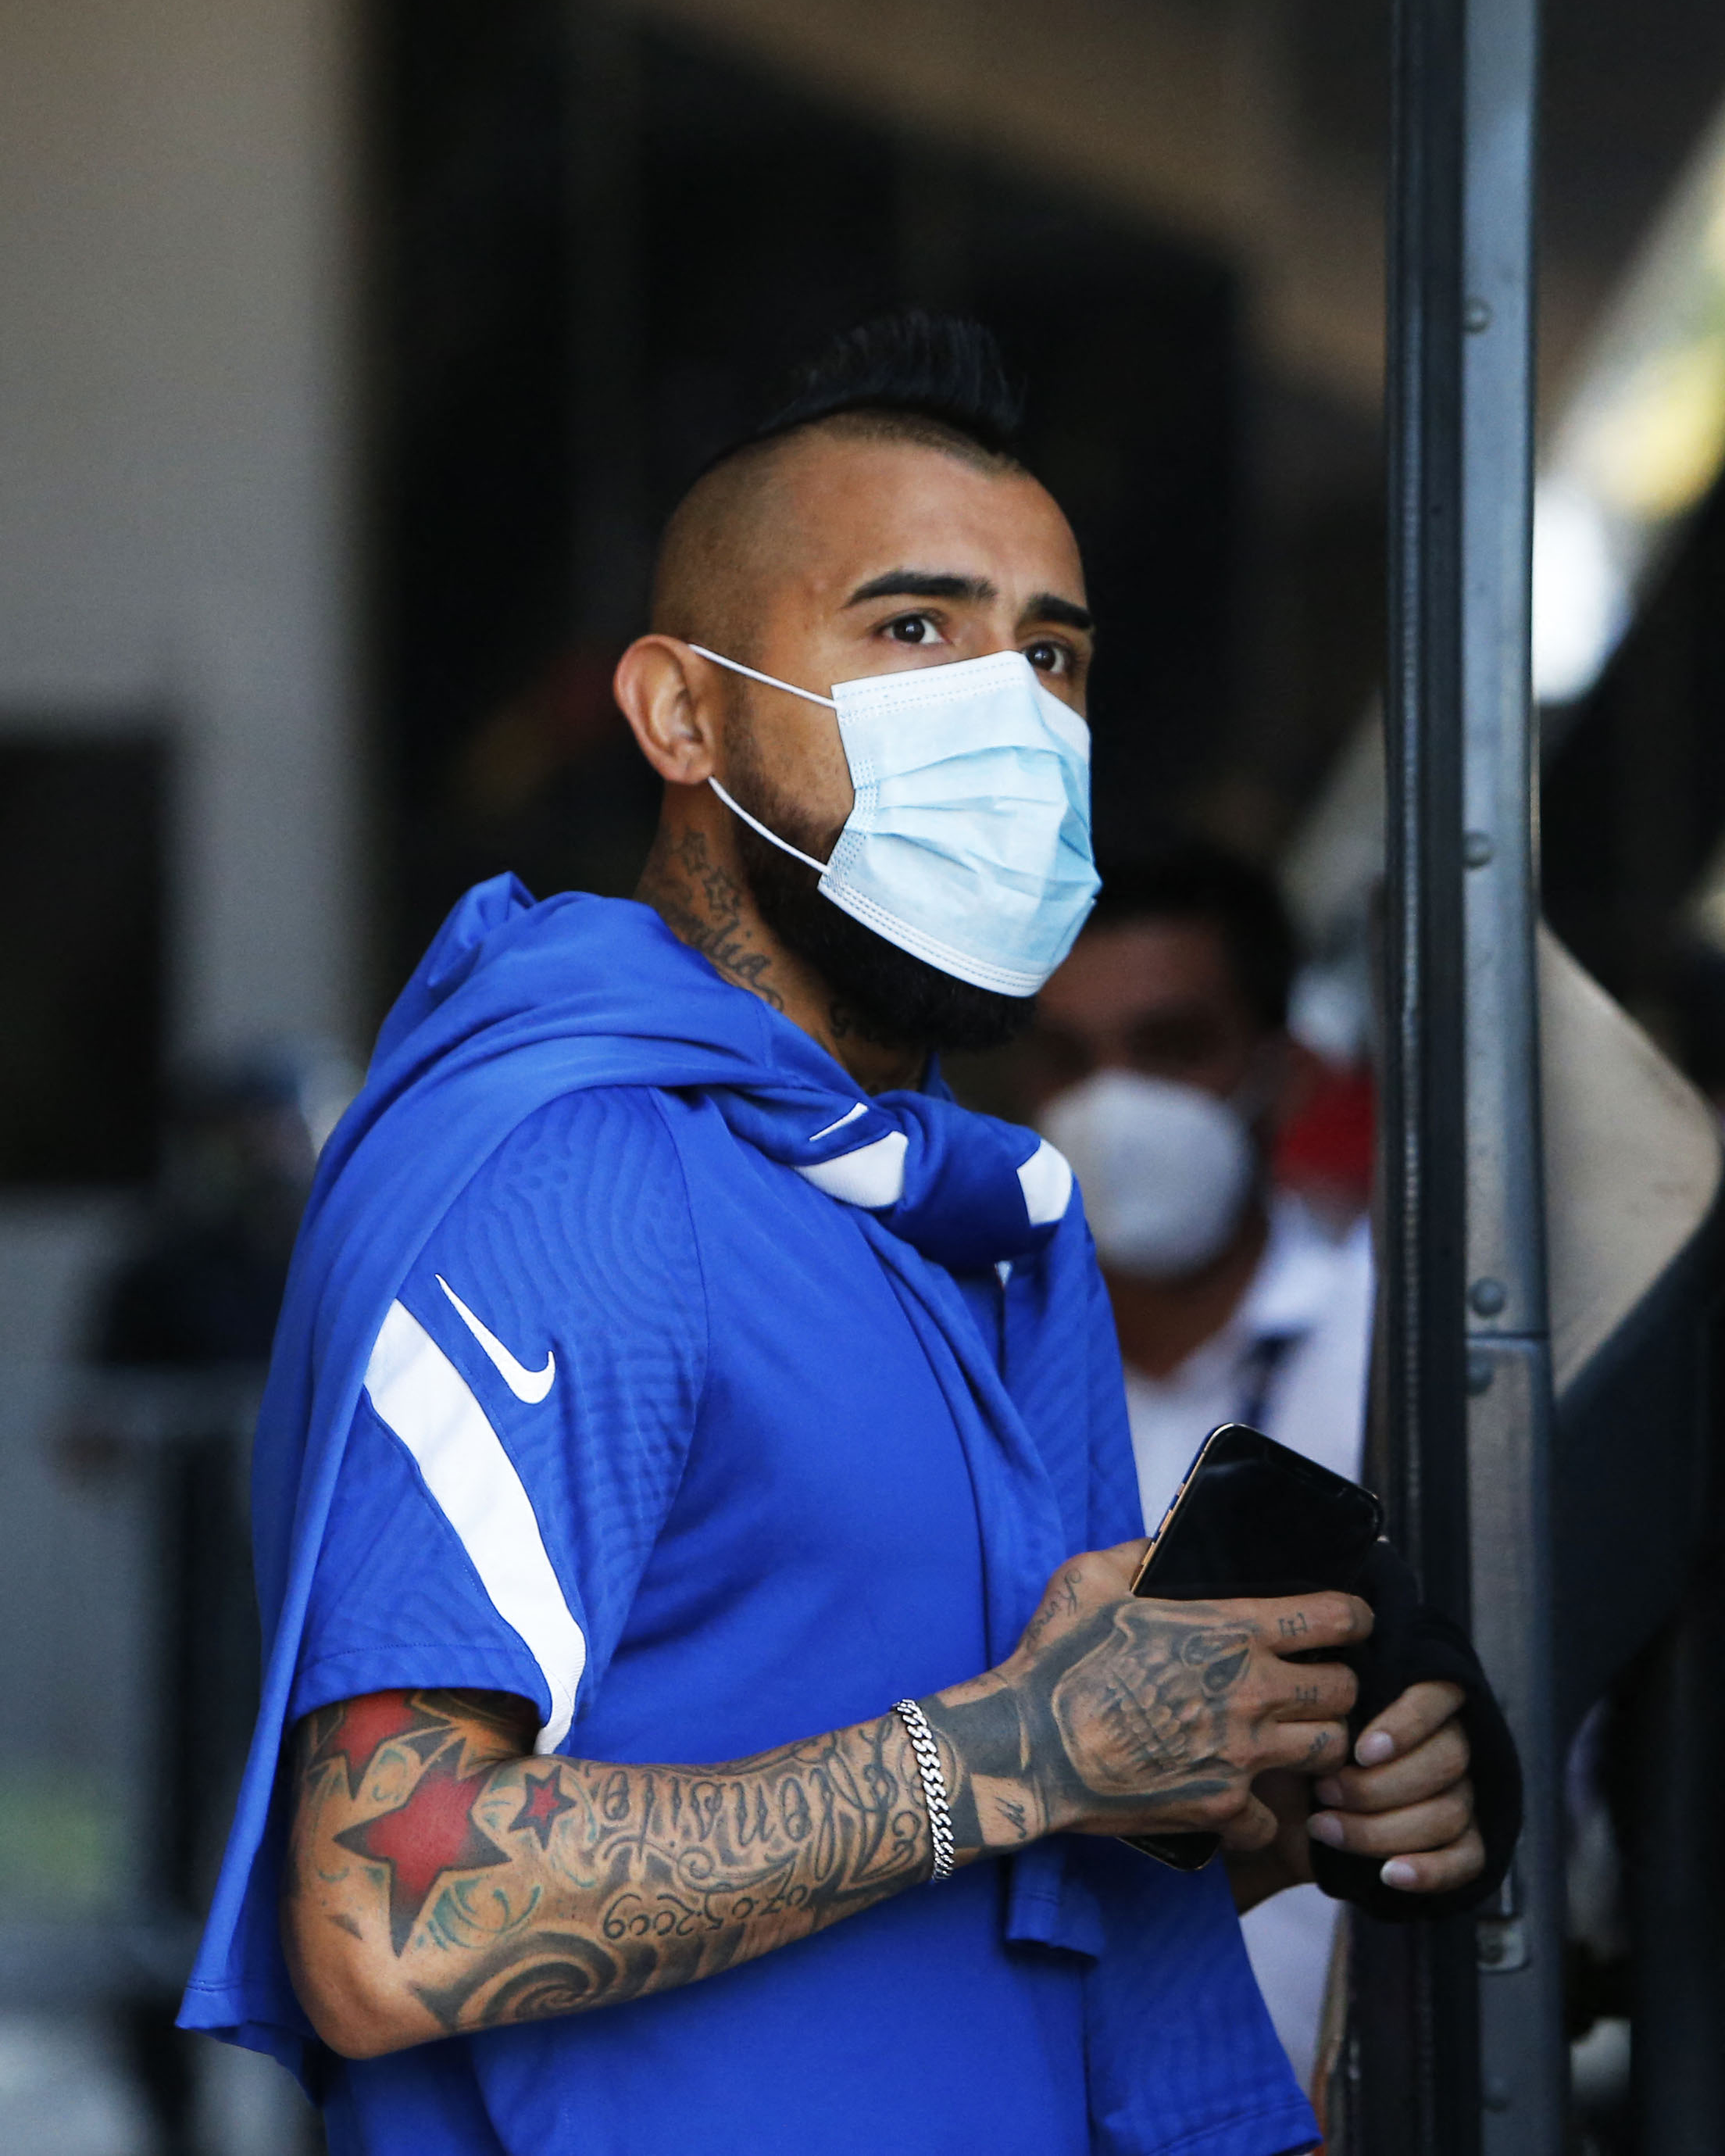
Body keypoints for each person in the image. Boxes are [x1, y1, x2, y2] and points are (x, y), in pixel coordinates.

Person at [179, 313, 1506, 2155]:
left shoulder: (939, 1206)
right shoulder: (584, 1173)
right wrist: (1030, 1752)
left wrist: (1296, 1788)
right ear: (680, 711)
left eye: (1052, 652)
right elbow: (392, 1910)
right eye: (912, 628)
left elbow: (972, 1878)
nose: (1010, 710)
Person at [1018, 846, 1377, 2089]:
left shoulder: (1396, 1362)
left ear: (1277, 1070)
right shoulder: (974, 1387)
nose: (1111, 1106)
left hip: (1333, 2092)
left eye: (1171, 1046)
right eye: (1067, 1060)